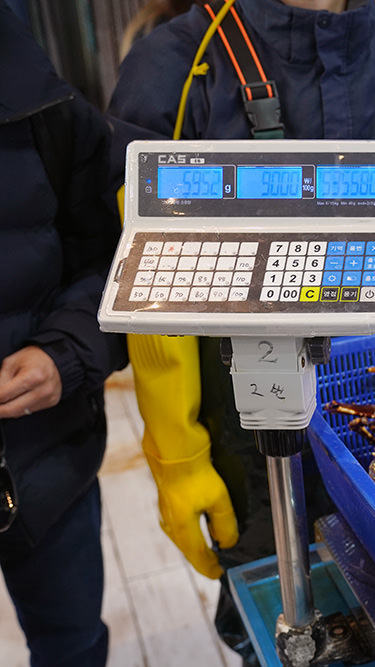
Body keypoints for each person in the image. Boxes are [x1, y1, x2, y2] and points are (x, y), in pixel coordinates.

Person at [108, 1, 375, 662]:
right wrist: (179, 456)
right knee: (276, 630)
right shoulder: (174, 69)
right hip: (251, 448)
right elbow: (148, 273)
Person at [0, 4, 128, 666]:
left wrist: (66, 352)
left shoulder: (38, 99)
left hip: (44, 457)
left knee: (73, 643)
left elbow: (116, 256)